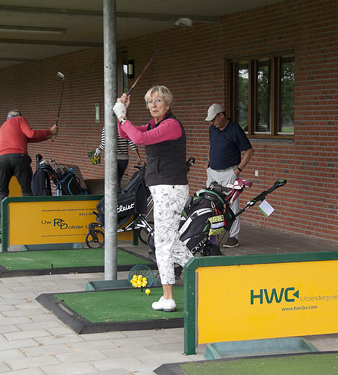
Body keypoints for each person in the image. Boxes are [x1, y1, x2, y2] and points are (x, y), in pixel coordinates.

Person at [113, 85, 191, 312]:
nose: (153, 105)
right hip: (163, 188)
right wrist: (122, 113)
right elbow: (125, 134)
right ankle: (203, 271)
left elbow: (139, 138)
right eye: (150, 101)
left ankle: (168, 298)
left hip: (170, 188)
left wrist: (122, 116)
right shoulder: (153, 124)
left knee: (163, 244)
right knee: (171, 242)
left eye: (158, 101)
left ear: (167, 104)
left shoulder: (171, 125)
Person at [0, 110, 58, 233]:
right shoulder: (19, 119)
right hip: (19, 158)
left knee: (2, 191)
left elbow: (26, 138)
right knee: (26, 191)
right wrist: (49, 131)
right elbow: (31, 133)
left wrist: (48, 136)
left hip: (2, 158)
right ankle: (30, 222)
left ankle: (3, 226)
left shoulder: (4, 125)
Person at [203, 103, 254, 248]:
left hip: (229, 173)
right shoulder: (212, 129)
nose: (212, 123)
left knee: (232, 205)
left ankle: (233, 237)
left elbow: (249, 151)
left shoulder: (235, 129)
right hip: (213, 172)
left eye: (214, 119)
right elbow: (211, 145)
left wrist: (238, 170)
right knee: (210, 202)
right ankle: (212, 235)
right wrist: (208, 161)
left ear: (221, 115)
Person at [94, 126, 142, 192]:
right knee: (118, 180)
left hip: (111, 159)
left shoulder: (107, 127)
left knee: (114, 181)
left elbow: (104, 144)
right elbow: (131, 143)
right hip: (124, 159)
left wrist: (98, 149)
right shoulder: (124, 128)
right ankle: (118, 196)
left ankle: (117, 197)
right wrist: (138, 156)